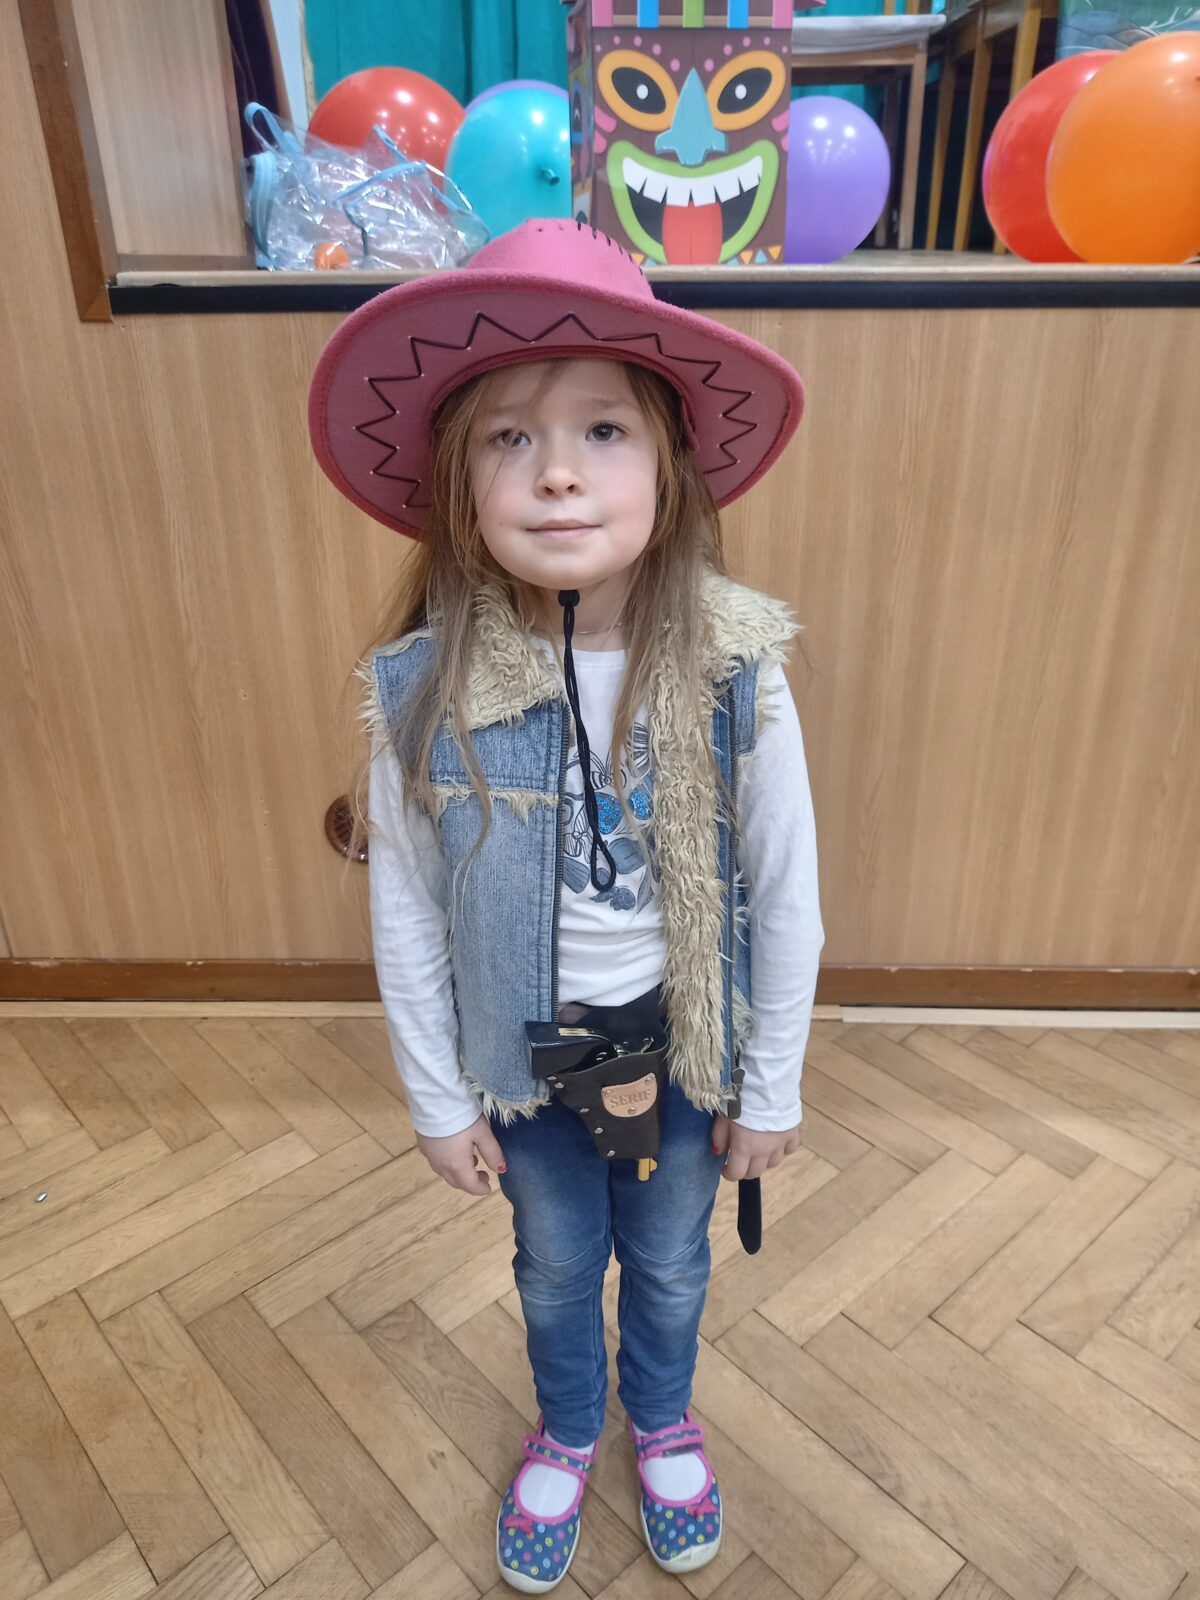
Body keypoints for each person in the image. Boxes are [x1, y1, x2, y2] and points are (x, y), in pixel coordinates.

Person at [308, 219, 824, 1593]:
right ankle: (571, 1423)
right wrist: (437, 1099)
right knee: (552, 1265)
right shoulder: (424, 689)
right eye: (508, 438)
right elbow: (409, 915)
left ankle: (662, 1416)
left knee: (667, 1263)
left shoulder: (737, 670)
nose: (555, 472)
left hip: (681, 1057)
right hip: (527, 1068)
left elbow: (790, 893)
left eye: (603, 430)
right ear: (457, 480)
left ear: (669, 467)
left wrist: (772, 1083)